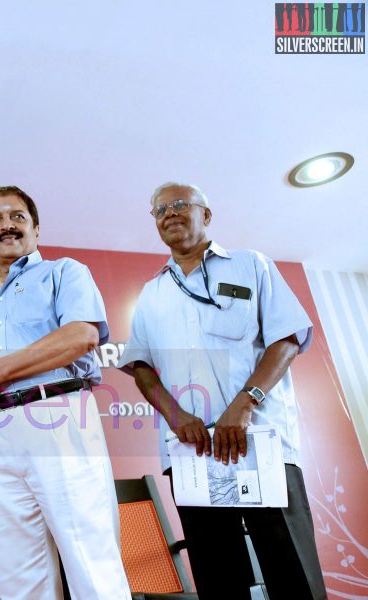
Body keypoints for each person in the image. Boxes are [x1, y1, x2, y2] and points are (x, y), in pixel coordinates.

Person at [117, 182, 327, 599]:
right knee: (218, 575)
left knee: (291, 569)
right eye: (160, 210)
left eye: (180, 205)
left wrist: (245, 405)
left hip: (260, 443)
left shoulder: (252, 265)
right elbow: (141, 368)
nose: (170, 214)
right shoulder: (152, 293)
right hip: (193, 454)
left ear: (206, 215)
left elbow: (286, 338)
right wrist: (177, 418)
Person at [0, 187, 131, 600]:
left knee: (89, 558)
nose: (6, 224)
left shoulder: (66, 271)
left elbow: (81, 336)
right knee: (17, 572)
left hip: (57, 414)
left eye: (17, 216)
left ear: (36, 227)